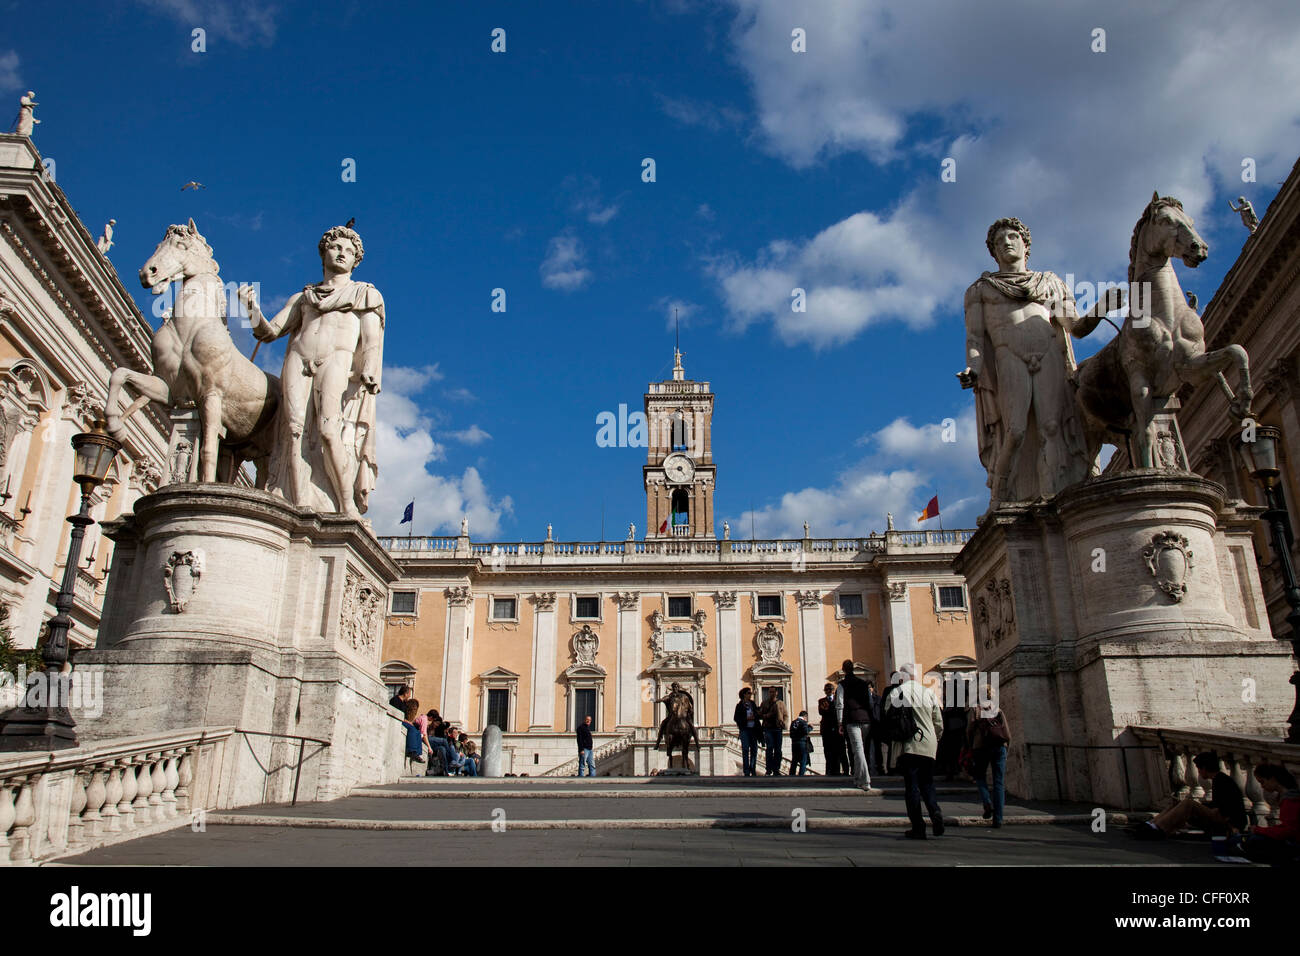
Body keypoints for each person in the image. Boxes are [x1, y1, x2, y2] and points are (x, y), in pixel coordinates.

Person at [239, 223, 384, 517]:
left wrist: (369, 368)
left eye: (349, 250)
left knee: (329, 431)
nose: (341, 253)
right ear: (323, 254)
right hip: (299, 359)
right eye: (335, 247)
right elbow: (269, 333)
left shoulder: (365, 294)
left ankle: (345, 506)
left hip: (337, 361)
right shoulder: (304, 298)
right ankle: (298, 503)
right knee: (292, 431)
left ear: (356, 259)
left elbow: (370, 339)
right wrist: (251, 307)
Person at [884, 664, 945, 839]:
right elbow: (938, 721)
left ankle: (918, 827)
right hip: (928, 744)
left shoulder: (896, 693)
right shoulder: (928, 693)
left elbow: (888, 719)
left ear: (902, 677)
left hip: (907, 745)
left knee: (911, 786)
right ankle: (935, 811)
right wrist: (935, 738)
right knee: (927, 783)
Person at [1132, 752, 1248, 839]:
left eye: (1199, 769)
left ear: (1204, 768)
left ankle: (1160, 828)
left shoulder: (1222, 781)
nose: (1199, 772)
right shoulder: (1219, 779)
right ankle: (1153, 823)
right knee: (1178, 803)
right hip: (1221, 815)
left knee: (1188, 803)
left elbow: (1225, 809)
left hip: (1228, 822)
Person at [1235, 764, 1299, 863]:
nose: (1262, 786)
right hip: (1292, 841)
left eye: (1262, 782)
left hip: (1294, 845)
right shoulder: (1288, 797)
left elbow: (1288, 831)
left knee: (1255, 841)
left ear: (1273, 779)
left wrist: (1259, 830)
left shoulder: (1290, 800)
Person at [966, 696, 1011, 827]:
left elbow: (969, 730)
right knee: (999, 783)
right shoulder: (998, 709)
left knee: (979, 776)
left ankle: (986, 802)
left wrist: (970, 746)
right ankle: (998, 818)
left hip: (980, 748)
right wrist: (1007, 747)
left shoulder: (975, 710)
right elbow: (1007, 732)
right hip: (999, 747)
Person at [835, 660, 873, 790]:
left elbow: (840, 704)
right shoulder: (863, 684)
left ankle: (865, 780)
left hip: (852, 720)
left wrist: (840, 722)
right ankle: (857, 778)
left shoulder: (842, 685)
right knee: (858, 749)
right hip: (866, 720)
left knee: (858, 750)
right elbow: (870, 702)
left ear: (844, 670)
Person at [818, 682, 847, 776]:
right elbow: (822, 711)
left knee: (840, 750)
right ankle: (830, 770)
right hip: (827, 729)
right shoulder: (822, 701)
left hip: (837, 728)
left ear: (834, 691)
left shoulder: (838, 700)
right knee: (828, 750)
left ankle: (844, 770)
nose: (828, 691)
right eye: (826, 690)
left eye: (830, 689)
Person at [758, 687, 788, 776]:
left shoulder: (781, 703)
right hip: (768, 728)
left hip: (778, 728)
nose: (771, 693)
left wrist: (784, 724)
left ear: (776, 693)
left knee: (778, 750)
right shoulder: (764, 703)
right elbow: (760, 715)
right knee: (769, 748)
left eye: (773, 692)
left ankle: (776, 769)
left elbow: (786, 715)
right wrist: (766, 716)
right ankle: (768, 769)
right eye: (770, 692)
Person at [734, 687, 761, 777]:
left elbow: (757, 714)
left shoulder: (753, 704)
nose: (751, 695)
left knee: (754, 749)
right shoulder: (739, 706)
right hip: (744, 730)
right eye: (749, 693)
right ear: (744, 694)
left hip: (753, 729)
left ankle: (752, 768)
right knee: (745, 750)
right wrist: (746, 719)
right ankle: (746, 770)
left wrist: (756, 715)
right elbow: (736, 718)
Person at [866, 680, 885, 775]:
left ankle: (879, 767)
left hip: (876, 725)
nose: (869, 689)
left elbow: (881, 712)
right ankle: (868, 767)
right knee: (866, 747)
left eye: (870, 687)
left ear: (873, 688)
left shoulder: (878, 698)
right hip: (866, 726)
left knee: (878, 748)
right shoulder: (863, 699)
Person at [400, 700, 425, 767]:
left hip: (406, 722)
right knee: (412, 729)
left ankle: (417, 753)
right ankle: (411, 750)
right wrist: (407, 722)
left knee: (418, 732)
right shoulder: (403, 707)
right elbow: (400, 716)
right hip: (402, 722)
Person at [789, 711, 812, 776]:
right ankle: (801, 775)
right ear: (805, 716)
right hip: (802, 742)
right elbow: (806, 731)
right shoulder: (803, 722)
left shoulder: (793, 722)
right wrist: (810, 727)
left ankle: (792, 774)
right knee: (803, 760)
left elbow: (791, 734)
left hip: (794, 743)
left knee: (794, 760)